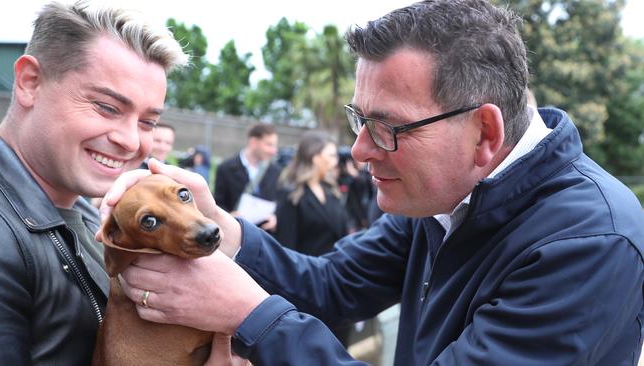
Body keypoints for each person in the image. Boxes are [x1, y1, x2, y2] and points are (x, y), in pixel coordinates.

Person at [100, 1, 644, 365]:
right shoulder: (445, 198)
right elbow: (333, 286)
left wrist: (251, 317)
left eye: (386, 128)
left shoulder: (589, 243)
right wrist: (220, 227)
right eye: (359, 120)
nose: (359, 151)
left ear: (484, 132)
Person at [0, 1, 188, 364]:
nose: (131, 141)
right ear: (30, 83)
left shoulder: (90, 214)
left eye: (147, 122)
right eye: (107, 107)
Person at [274, 131, 351, 345]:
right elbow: (286, 247)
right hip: (307, 285)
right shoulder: (293, 194)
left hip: (336, 283)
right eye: (331, 155)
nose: (336, 161)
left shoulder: (332, 190)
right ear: (315, 157)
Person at [213, 123, 281, 231]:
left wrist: (276, 217)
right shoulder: (226, 168)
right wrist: (229, 216)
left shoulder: (275, 170)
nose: (274, 151)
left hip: (264, 234)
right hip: (236, 232)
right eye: (269, 145)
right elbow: (218, 202)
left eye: (274, 145)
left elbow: (278, 200)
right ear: (253, 142)